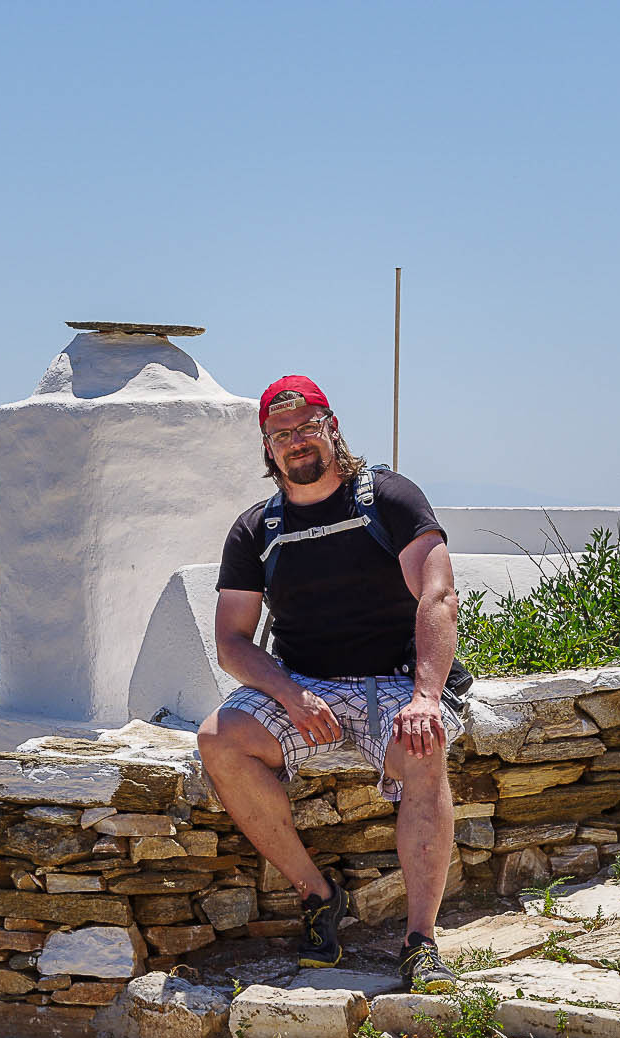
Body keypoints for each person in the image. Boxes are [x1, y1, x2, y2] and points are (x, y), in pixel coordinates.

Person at [197, 375, 469, 987]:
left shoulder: (388, 500)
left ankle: (420, 938)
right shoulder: (255, 531)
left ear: (332, 426)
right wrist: (290, 695)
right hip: (304, 683)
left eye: (306, 426)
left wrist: (427, 695)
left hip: (397, 679)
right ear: (268, 449)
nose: (296, 441)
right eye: (280, 433)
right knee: (219, 739)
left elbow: (438, 593)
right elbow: (232, 642)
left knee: (422, 749)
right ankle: (319, 895)